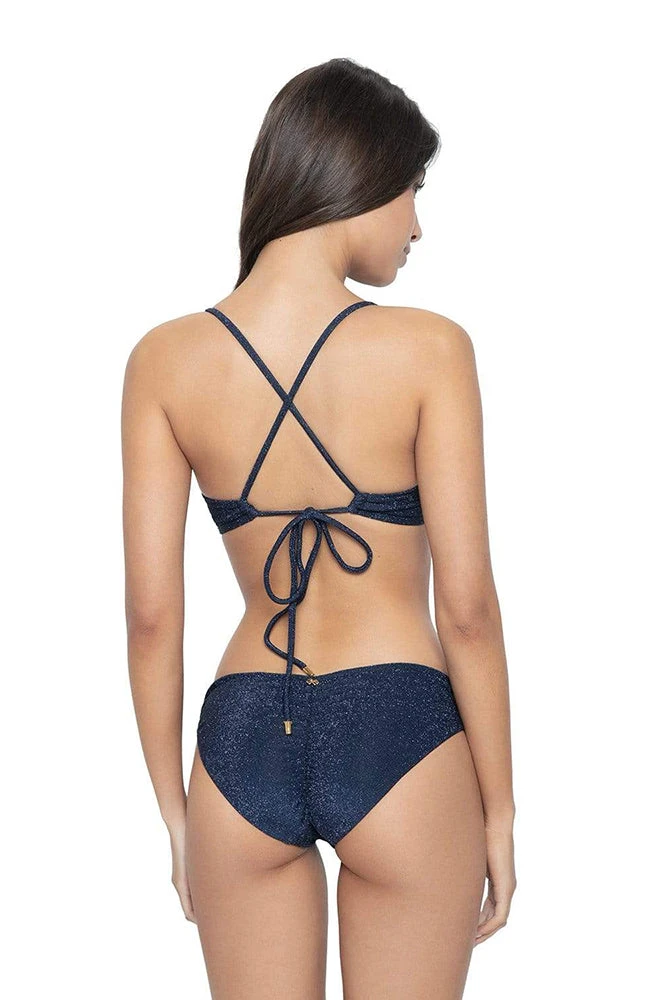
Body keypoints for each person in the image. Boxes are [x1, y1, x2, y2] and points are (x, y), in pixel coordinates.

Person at [121, 56, 516, 999]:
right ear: (357, 173)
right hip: (401, 729)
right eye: (413, 189)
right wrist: (500, 810)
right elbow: (467, 611)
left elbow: (150, 617)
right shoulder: (430, 349)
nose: (416, 224)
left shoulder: (163, 361)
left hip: (242, 735)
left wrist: (176, 813)